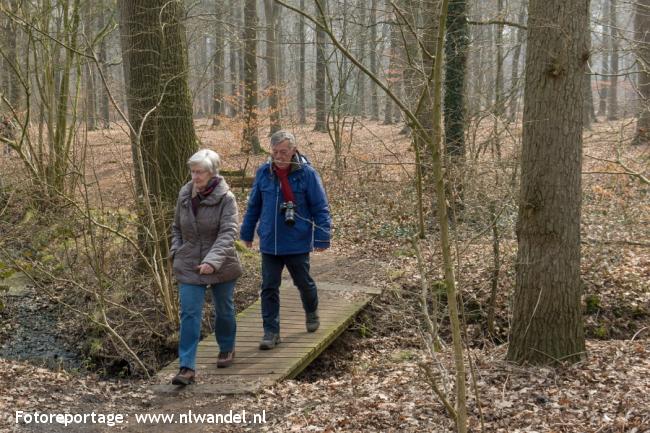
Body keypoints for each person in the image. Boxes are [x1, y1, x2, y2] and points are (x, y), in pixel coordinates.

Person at [240, 130, 331, 350]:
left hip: (297, 240)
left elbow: (320, 207)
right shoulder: (264, 172)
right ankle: (271, 331)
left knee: (303, 282)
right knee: (269, 286)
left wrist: (322, 237)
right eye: (275, 152)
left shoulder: (307, 174)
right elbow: (254, 205)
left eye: (283, 151)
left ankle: (311, 311)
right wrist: (247, 233)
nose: (279, 156)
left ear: (293, 150)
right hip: (270, 242)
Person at [170, 149, 243, 386]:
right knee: (189, 312)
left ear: (212, 173)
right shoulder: (184, 194)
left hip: (221, 262)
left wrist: (212, 261)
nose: (195, 177)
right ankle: (186, 367)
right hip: (189, 262)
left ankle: (227, 348)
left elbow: (228, 233)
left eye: (200, 172)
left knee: (224, 308)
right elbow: (177, 228)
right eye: (193, 171)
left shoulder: (227, 198)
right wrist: (176, 252)